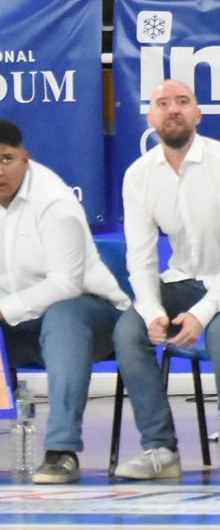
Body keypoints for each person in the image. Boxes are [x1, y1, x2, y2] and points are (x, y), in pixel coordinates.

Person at [112, 79, 220, 483]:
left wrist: (201, 315)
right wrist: (154, 312)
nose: (172, 109)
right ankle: (161, 449)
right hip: (188, 278)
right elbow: (140, 258)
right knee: (128, 330)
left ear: (198, 114)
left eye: (182, 102)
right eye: (162, 103)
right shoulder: (138, 176)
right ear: (151, 116)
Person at [0, 118, 127, 485]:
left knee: (63, 318)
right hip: (18, 322)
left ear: (25, 158)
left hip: (92, 316)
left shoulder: (53, 201)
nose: (0, 170)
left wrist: (4, 309)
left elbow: (66, 284)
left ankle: (61, 451)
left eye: (7, 159)